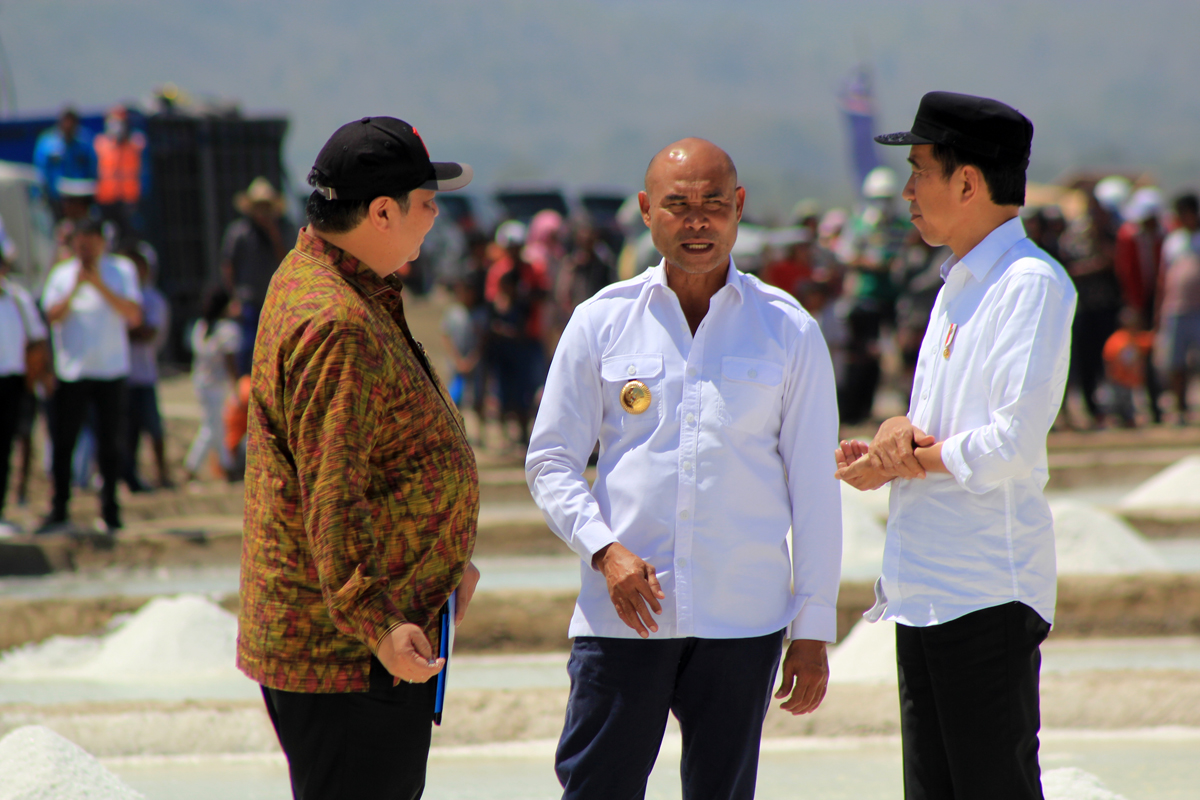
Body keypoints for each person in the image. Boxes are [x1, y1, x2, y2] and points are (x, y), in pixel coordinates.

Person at [526, 138, 842, 800]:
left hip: (743, 622)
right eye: (678, 205)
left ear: (739, 209)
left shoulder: (787, 330)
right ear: (646, 210)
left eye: (713, 205)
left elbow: (815, 491)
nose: (697, 222)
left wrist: (812, 630)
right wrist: (604, 550)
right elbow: (551, 460)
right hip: (623, 620)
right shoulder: (602, 323)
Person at [837, 92, 1076, 799]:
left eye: (919, 170)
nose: (908, 191)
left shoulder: (1029, 285)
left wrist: (905, 460)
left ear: (967, 182)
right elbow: (931, 424)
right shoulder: (957, 283)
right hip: (924, 591)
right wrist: (890, 442)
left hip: (983, 594)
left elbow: (1009, 441)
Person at [236, 117, 481, 800]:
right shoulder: (335, 320)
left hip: (355, 645)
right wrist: (377, 624)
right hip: (346, 660)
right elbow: (332, 497)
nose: (434, 221)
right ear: (381, 212)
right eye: (427, 204)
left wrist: (443, 556)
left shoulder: (333, 279)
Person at [39, 218, 143, 533]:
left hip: (111, 370)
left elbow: (134, 315)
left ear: (101, 241)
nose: (84, 248)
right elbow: (51, 316)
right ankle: (59, 508)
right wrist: (76, 287)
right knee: (64, 441)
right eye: (79, 243)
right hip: (72, 371)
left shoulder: (121, 270)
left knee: (110, 443)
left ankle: (110, 509)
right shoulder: (61, 274)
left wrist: (98, 285)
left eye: (89, 242)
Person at [219, 177, 294, 377]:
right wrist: (233, 298)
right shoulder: (239, 232)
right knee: (248, 350)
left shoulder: (283, 229)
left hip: (277, 302)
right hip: (249, 302)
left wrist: (273, 232)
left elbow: (289, 260)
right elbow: (228, 266)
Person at [0, 250, 50, 535]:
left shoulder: (18, 298)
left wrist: (42, 374)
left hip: (14, 380)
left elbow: (37, 338)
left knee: (9, 444)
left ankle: (4, 508)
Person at [122, 243, 172, 490]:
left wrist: (122, 330)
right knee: (127, 432)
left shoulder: (154, 298)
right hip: (121, 375)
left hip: (144, 374)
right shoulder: (121, 295)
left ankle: (162, 474)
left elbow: (148, 333)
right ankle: (131, 478)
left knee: (154, 428)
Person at [183, 288, 239, 483]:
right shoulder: (227, 330)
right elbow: (230, 361)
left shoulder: (199, 326)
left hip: (200, 382)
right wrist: (235, 385)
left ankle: (227, 466)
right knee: (210, 429)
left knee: (216, 427)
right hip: (215, 385)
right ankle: (192, 466)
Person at [1157, 192, 1200, 425]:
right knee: (1175, 363)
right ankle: (1179, 409)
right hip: (1175, 308)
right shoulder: (1172, 241)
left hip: (1198, 308)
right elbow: (1164, 276)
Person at [33, 108, 97, 218]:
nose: (69, 126)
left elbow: (92, 168)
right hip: (56, 196)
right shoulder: (48, 144)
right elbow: (41, 172)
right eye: (66, 122)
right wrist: (41, 193)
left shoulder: (85, 142)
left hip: (80, 195)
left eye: (72, 123)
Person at [93, 107, 146, 236]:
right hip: (105, 199)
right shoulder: (101, 143)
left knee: (129, 233)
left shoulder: (135, 143)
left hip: (129, 200)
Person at [1103, 307, 1155, 427]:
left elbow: (1148, 341)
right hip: (1119, 380)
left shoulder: (1134, 337)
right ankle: (1118, 421)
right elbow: (1117, 360)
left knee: (1129, 406)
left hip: (1129, 381)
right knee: (1118, 405)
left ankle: (1127, 421)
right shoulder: (1119, 339)